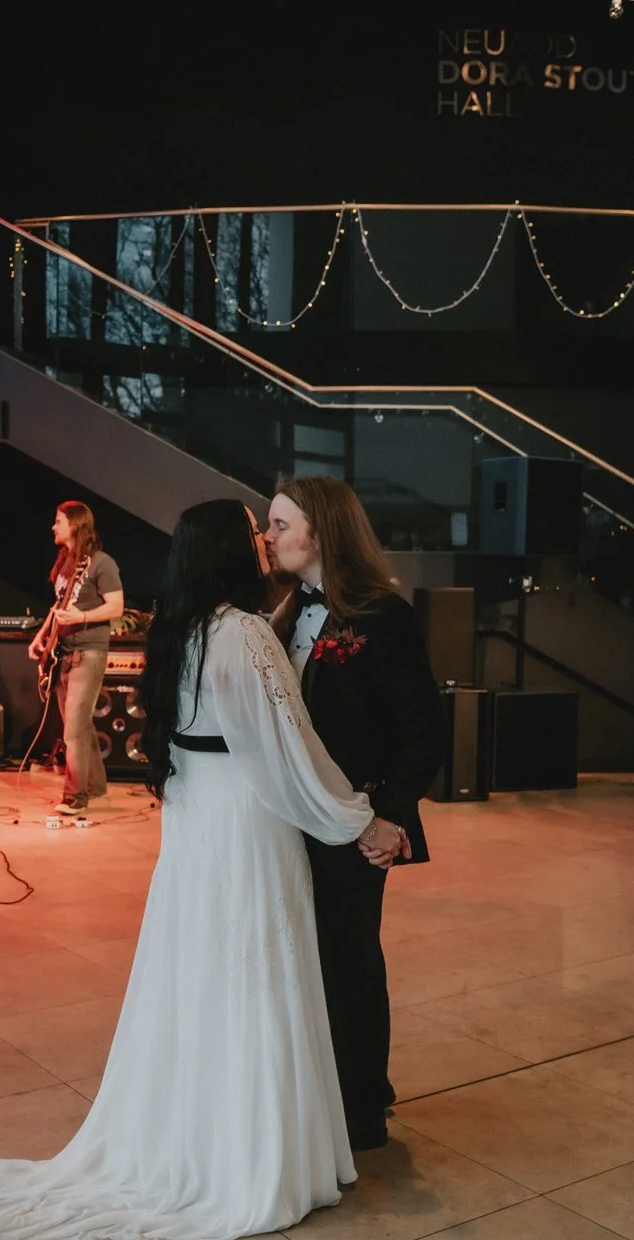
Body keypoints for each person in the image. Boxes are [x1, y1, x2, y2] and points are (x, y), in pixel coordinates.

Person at [0, 500, 407, 1240]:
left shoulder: (184, 631)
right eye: (254, 529)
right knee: (251, 975)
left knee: (201, 980)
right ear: (227, 552)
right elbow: (290, 753)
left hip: (198, 828)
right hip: (246, 827)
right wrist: (357, 819)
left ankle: (198, 1133)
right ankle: (249, 1156)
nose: (263, 539)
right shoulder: (245, 633)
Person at [266, 476, 446, 1152]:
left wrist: (393, 816)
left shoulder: (381, 614)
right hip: (295, 816)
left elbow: (420, 727)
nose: (271, 535)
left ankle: (363, 1107)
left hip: (355, 821)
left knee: (350, 961)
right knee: (309, 959)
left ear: (322, 528)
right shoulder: (284, 611)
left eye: (282, 523)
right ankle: (321, 1090)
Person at [28, 501, 123, 816]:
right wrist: (41, 636)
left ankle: (75, 797)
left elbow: (116, 607)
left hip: (89, 651)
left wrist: (82, 616)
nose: (52, 527)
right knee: (78, 726)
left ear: (75, 525)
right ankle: (94, 787)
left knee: (73, 730)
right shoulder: (67, 563)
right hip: (64, 652)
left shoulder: (102, 563)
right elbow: (58, 608)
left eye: (58, 521)